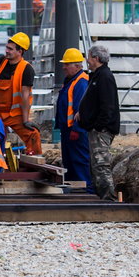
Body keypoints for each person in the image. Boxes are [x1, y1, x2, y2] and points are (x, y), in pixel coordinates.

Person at [75, 44, 120, 201]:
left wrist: (99, 126)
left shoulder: (104, 77)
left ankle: (109, 198)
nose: (87, 60)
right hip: (96, 128)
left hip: (101, 130)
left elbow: (107, 105)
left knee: (101, 164)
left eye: (89, 57)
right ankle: (100, 195)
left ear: (96, 58)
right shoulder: (97, 76)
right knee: (95, 164)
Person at [0, 32, 42, 155]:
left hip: (13, 114)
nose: (6, 51)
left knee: (33, 134)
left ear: (20, 51)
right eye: (7, 47)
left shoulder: (26, 69)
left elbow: (25, 96)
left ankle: (35, 160)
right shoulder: (1, 62)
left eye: (10, 49)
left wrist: (26, 120)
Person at [56, 48, 92, 191]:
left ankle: (86, 191)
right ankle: (74, 190)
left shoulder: (81, 82)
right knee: (69, 162)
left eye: (67, 64)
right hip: (68, 131)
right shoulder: (71, 81)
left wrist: (77, 129)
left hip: (76, 132)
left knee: (79, 162)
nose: (63, 67)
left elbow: (81, 109)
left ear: (77, 66)